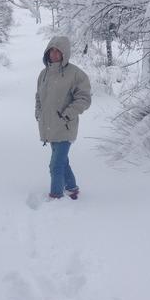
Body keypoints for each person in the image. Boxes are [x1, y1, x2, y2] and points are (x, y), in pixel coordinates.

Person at [35, 36, 92, 200]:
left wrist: (67, 114)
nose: (54, 54)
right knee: (62, 161)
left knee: (55, 165)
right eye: (51, 50)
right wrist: (38, 113)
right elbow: (38, 96)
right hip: (48, 125)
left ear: (64, 53)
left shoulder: (75, 74)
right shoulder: (43, 74)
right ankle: (72, 188)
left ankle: (56, 196)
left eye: (58, 51)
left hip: (65, 126)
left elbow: (84, 99)